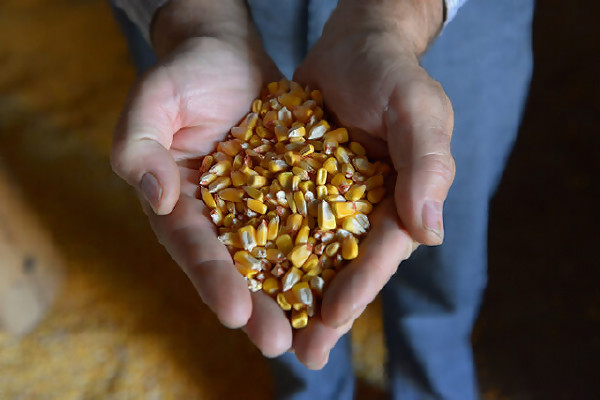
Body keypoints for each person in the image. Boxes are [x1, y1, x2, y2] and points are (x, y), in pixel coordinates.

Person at [110, 0, 534, 399]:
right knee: (287, 323)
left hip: (455, 23)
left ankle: (434, 380)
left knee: (441, 250)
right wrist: (195, 19)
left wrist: (399, 15)